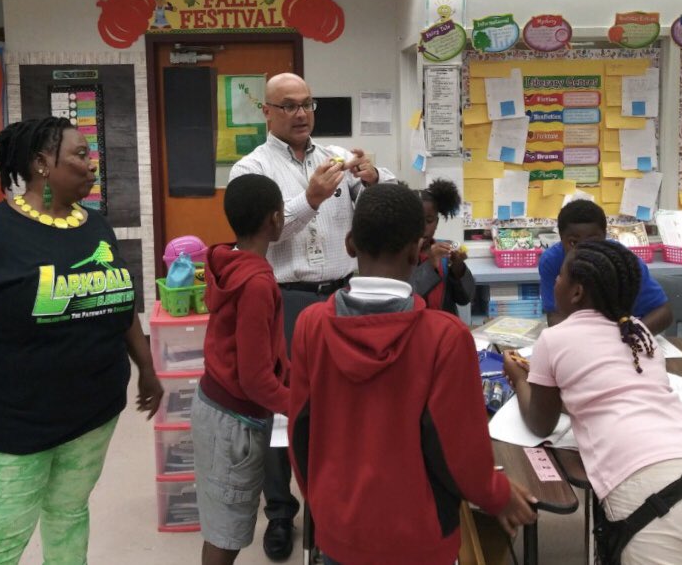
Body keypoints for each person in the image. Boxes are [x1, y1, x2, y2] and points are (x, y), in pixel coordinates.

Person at [0, 116, 162, 564]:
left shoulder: (95, 226)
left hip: (93, 414)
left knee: (68, 514)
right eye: (80, 155)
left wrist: (147, 369)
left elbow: (121, 301)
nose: (91, 165)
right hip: (14, 423)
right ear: (42, 164)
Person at [288, 184, 538, 565]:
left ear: (351, 244)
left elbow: (299, 430)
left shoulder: (310, 325)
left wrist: (322, 504)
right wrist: (497, 495)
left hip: (339, 530)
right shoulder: (444, 336)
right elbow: (460, 451)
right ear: (414, 250)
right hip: (420, 540)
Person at [228, 72, 397, 560]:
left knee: (342, 405)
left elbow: (387, 209)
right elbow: (262, 234)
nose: (301, 113)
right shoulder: (250, 169)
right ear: (267, 112)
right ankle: (281, 511)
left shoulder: (336, 159)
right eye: (288, 106)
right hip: (284, 299)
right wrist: (312, 199)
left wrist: (375, 178)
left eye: (307, 104)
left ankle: (335, 503)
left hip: (343, 296)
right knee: (283, 407)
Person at [505, 240, 682, 565]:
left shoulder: (553, 338)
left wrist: (520, 378)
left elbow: (540, 423)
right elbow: (603, 394)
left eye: (560, 276)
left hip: (655, 500)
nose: (554, 282)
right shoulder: (638, 333)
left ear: (576, 292)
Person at [192, 173, 289, 565]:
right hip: (233, 423)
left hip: (220, 409)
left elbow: (259, 354)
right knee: (226, 535)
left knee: (223, 524)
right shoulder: (256, 285)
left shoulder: (231, 263)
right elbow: (255, 379)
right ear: (276, 219)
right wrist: (303, 403)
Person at [538, 200, 672, 333]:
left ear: (604, 236)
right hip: (579, 339)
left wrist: (628, 339)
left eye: (593, 241)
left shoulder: (623, 261)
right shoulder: (551, 262)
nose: (585, 249)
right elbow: (555, 315)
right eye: (573, 242)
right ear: (561, 239)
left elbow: (663, 313)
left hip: (625, 338)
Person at [410, 177, 475, 315]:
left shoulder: (444, 253)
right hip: (415, 334)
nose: (422, 228)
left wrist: (458, 268)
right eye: (415, 220)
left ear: (437, 222)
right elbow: (407, 299)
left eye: (429, 220)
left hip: (444, 332)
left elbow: (465, 299)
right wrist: (430, 265)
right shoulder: (396, 257)